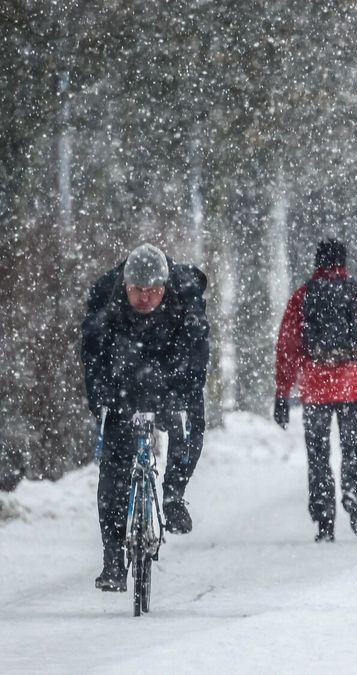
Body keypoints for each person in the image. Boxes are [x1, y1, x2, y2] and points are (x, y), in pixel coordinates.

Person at [81, 243, 210, 591]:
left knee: (191, 423)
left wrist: (181, 393)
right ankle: (112, 560)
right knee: (113, 469)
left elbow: (197, 354)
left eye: (154, 291)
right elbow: (93, 356)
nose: (146, 298)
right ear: (125, 286)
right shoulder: (106, 299)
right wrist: (101, 401)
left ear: (166, 286)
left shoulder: (185, 295)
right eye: (138, 290)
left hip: (170, 371)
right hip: (123, 375)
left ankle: (172, 495)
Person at [273, 240, 357, 543]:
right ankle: (353, 491)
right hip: (355, 383)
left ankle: (324, 519)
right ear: (343, 262)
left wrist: (282, 392)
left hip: (316, 386)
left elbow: (287, 346)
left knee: (318, 455)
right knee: (354, 449)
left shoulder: (303, 296)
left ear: (317, 263)